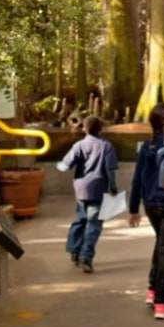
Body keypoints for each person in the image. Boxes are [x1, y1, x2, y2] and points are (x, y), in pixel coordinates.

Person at [128, 101, 164, 320]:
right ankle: (161, 302)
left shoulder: (147, 147)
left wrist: (133, 209)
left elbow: (137, 179)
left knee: (161, 244)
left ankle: (152, 289)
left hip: (150, 205)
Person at [58, 115, 118, 273]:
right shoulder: (107, 146)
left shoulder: (79, 145)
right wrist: (113, 187)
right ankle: (86, 256)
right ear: (101, 129)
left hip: (81, 189)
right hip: (98, 189)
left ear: (84, 128)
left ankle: (74, 250)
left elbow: (65, 165)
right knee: (94, 224)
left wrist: (58, 165)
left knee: (80, 219)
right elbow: (110, 170)